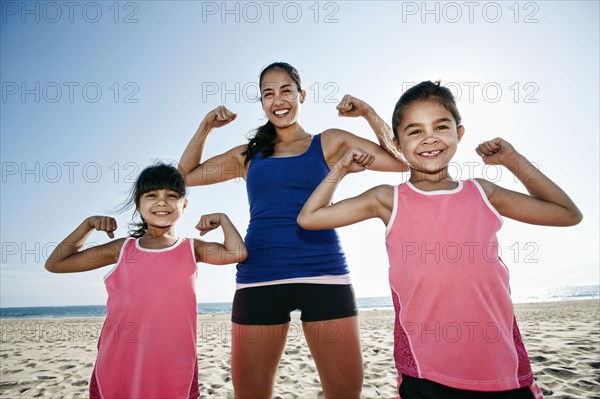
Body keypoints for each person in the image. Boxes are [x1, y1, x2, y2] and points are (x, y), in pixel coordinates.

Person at [297, 81, 582, 399]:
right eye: (414, 131)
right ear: (397, 143)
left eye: (440, 126)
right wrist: (341, 169)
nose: (429, 138)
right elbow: (309, 217)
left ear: (459, 134)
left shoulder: (482, 192)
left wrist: (513, 160)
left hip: (502, 370)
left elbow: (566, 213)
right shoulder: (387, 199)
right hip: (425, 375)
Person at [179, 62, 408, 398]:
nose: (278, 99)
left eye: (286, 90)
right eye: (268, 94)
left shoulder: (330, 142)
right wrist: (205, 127)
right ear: (261, 103)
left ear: (301, 95)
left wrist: (368, 113)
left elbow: (401, 162)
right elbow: (185, 176)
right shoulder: (248, 155)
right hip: (260, 278)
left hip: (324, 274)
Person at [45, 163, 247, 399]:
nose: (162, 202)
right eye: (151, 195)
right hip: (119, 359)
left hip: (174, 362)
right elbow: (56, 263)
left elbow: (237, 253)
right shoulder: (123, 248)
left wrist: (223, 219)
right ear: (138, 205)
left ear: (184, 205)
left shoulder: (192, 248)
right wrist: (87, 225)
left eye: (172, 196)